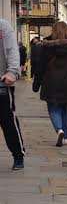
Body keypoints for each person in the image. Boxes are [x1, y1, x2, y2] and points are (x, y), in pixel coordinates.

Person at [0, 19, 25, 170]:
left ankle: (18, 155)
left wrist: (12, 72)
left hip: (2, 83)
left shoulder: (3, 27)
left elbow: (12, 51)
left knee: (7, 122)